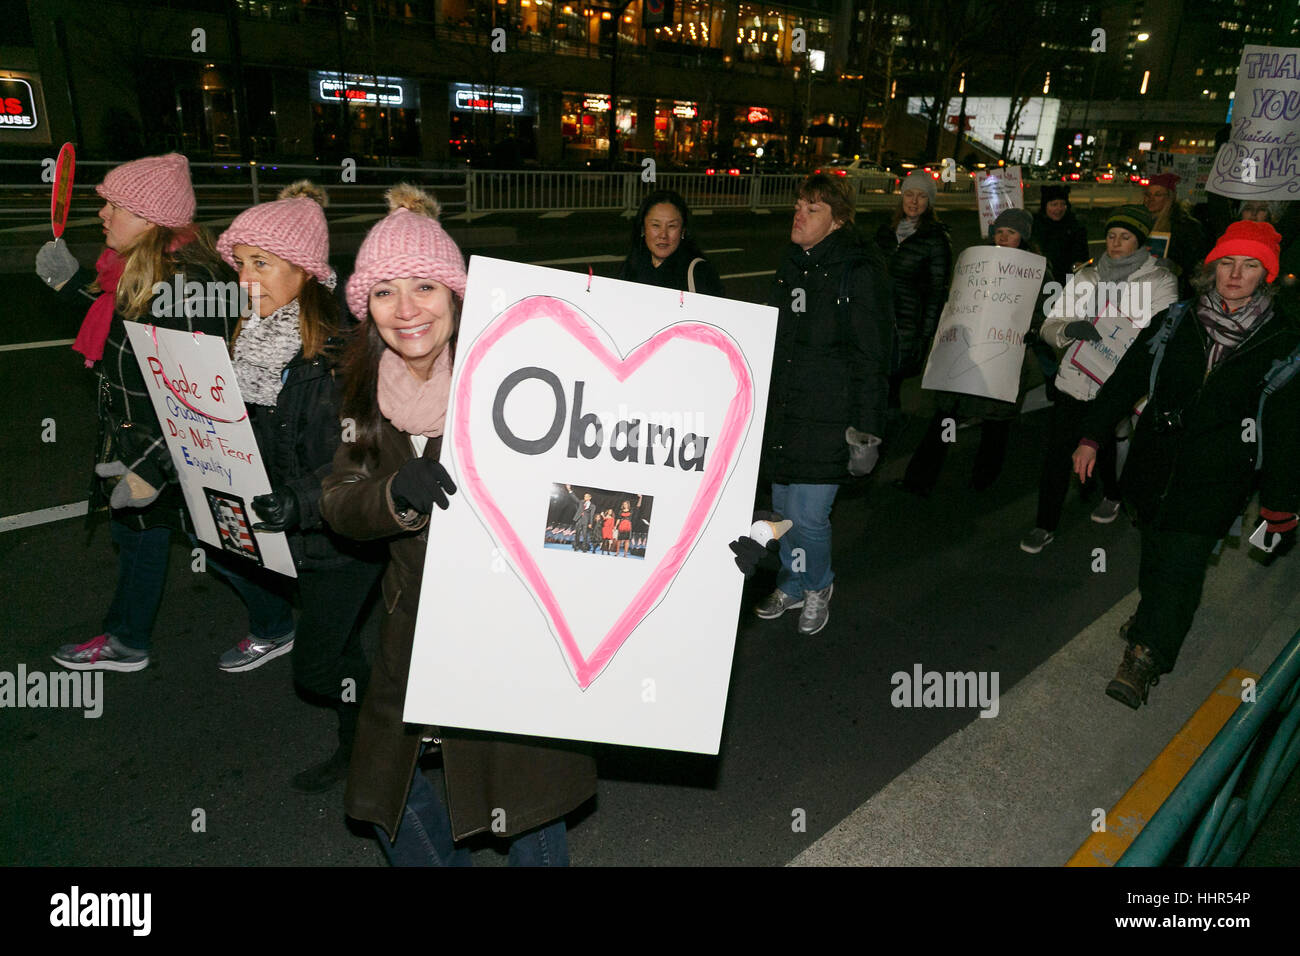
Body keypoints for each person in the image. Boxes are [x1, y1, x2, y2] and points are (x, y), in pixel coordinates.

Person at [320, 184, 596, 866]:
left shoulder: (519, 382)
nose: (406, 309)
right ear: (366, 307)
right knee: (387, 795)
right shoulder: (365, 395)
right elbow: (339, 498)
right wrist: (395, 494)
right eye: (384, 291)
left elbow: (588, 500)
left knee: (528, 806)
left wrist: (698, 553)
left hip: (512, 633)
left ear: (456, 296)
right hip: (411, 635)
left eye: (424, 287)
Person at [1070, 221, 1299, 707]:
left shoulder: (1283, 344)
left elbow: (1286, 432)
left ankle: (1146, 655)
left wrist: (1279, 505)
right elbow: (1124, 379)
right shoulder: (1174, 321)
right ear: (1211, 268)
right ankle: (1152, 613)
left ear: (1267, 276)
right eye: (1227, 263)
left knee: (1180, 565)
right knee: (1155, 551)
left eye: (1250, 265)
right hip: (1153, 466)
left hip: (1217, 480)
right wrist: (1090, 437)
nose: (1235, 275)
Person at [213, 180, 385, 791]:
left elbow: (360, 454)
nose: (245, 278)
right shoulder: (249, 342)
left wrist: (298, 499)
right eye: (239, 264)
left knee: (315, 666)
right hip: (291, 533)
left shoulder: (343, 353)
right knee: (338, 651)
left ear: (306, 272)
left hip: (340, 536)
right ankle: (370, 740)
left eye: (261, 263)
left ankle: (382, 738)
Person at [36, 154, 237, 672]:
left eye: (114, 205)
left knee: (219, 543)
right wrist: (71, 282)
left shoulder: (187, 290)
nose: (102, 213)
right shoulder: (140, 271)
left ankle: (279, 624)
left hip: (166, 448)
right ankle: (128, 640)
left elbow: (196, 401)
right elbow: (122, 315)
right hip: (138, 437)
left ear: (150, 220)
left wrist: (150, 469)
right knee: (142, 534)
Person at [757, 173, 893, 635]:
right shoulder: (793, 261)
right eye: (798, 204)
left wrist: (866, 430)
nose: (799, 213)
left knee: (811, 516)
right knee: (781, 513)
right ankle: (792, 584)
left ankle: (819, 585)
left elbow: (873, 355)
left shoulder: (858, 270)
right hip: (787, 411)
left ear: (837, 222)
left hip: (830, 416)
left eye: (812, 209)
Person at [1019, 204, 1179, 554]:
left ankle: (1112, 494)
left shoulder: (1158, 281)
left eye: (1125, 237)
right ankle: (1044, 524)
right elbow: (1050, 325)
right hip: (1074, 379)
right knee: (1058, 453)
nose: (1116, 243)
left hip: (1116, 384)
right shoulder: (1088, 276)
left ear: (1140, 241)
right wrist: (1068, 330)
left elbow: (1160, 336)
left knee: (1103, 447)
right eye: (1111, 236)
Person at [899, 208, 1054, 496]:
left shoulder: (1037, 270)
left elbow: (1045, 310)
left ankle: (983, 481)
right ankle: (919, 479)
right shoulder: (978, 262)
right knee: (945, 418)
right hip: (965, 354)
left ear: (1024, 236)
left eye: (1012, 232)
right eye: (1000, 231)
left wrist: (1029, 328)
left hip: (1001, 357)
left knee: (995, 426)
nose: (1004, 237)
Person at [875, 169, 952, 414]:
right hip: (876, 319)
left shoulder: (935, 239)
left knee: (890, 387)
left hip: (907, 327)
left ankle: (883, 441)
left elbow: (937, 293)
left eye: (921, 196)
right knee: (872, 383)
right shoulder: (886, 231)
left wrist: (924, 336)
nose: (914, 201)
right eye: (909, 194)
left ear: (929, 202)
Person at [618, 189, 724, 295]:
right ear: (643, 229)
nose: (663, 235)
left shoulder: (700, 273)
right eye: (655, 225)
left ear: (683, 231)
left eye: (672, 226)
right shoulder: (632, 267)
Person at [1143, 173, 1209, 301]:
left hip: (1175, 292)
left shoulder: (1186, 226)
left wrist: (1175, 267)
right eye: (1148, 194)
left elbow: (1195, 264)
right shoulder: (1140, 223)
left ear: (1170, 197)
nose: (1151, 199)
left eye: (1157, 195)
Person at [1034, 184, 1089, 283]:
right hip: (1041, 281)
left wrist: (1079, 264)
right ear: (1045, 206)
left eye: (1062, 204)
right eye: (1054, 204)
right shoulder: (1035, 226)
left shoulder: (1075, 227)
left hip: (1068, 281)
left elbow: (1082, 255)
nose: (1059, 209)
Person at [565, 484, 597, 552]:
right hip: (579, 520)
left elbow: (592, 515)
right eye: (584, 496)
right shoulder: (581, 502)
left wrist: (590, 523)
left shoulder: (593, 506)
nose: (585, 497)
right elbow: (574, 498)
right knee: (577, 534)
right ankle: (576, 547)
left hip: (586, 521)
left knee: (585, 535)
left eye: (586, 496)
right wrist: (569, 490)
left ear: (590, 497)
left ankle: (584, 548)